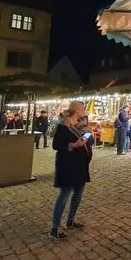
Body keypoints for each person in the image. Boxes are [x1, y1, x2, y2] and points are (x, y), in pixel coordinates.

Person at [49, 102, 93, 239]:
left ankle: (70, 220)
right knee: (64, 195)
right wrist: (73, 145)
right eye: (83, 108)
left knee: (78, 194)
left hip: (80, 164)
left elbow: (88, 141)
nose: (84, 111)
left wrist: (87, 132)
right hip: (68, 164)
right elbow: (56, 144)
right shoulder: (64, 125)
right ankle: (55, 227)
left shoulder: (79, 123)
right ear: (76, 110)